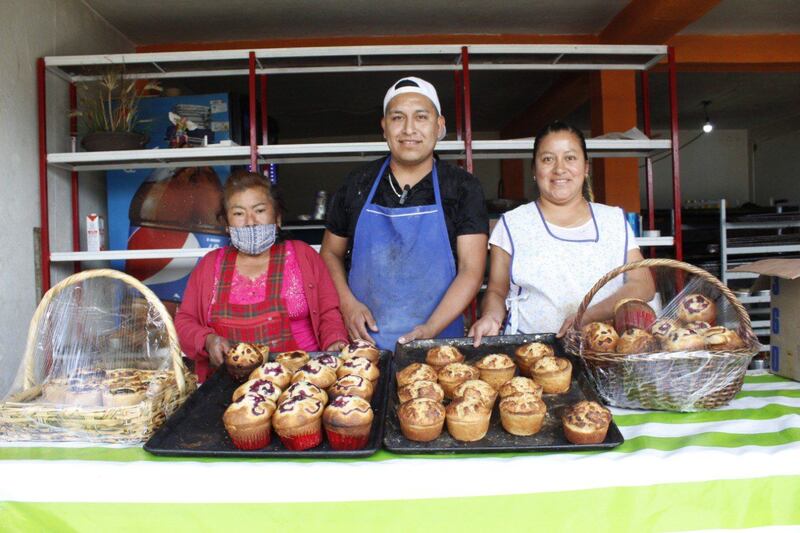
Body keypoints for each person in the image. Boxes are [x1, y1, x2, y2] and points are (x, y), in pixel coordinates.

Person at [321, 76, 489, 351]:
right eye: (398, 118)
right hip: (365, 345)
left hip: (439, 344)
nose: (409, 129)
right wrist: (347, 304)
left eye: (421, 117)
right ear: (385, 127)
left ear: (439, 126)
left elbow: (472, 269)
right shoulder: (358, 183)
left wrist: (431, 329)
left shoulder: (462, 187)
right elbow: (329, 253)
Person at [469, 121, 655, 346]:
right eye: (548, 159)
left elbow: (642, 285)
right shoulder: (513, 224)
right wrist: (491, 317)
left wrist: (587, 316)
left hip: (604, 350)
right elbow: (497, 290)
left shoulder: (612, 220)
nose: (559, 169)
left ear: (586, 168)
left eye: (570, 158)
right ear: (535, 170)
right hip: (531, 351)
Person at [175, 171, 348, 382]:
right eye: (238, 213)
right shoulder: (210, 265)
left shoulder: (302, 256)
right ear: (227, 224)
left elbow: (329, 312)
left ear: (277, 218)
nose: (250, 222)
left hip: (302, 382)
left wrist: (334, 342)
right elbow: (184, 321)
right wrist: (207, 340)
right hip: (228, 385)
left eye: (259, 210)